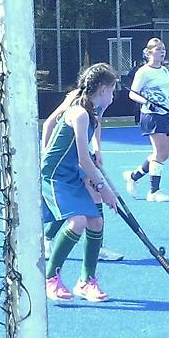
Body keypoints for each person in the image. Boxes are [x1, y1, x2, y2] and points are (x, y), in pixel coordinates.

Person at [42, 63, 119, 302]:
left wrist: (94, 180)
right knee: (77, 221)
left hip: (72, 171)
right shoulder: (79, 113)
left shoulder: (92, 113)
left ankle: (86, 281)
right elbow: (84, 159)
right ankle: (50, 278)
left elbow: (84, 160)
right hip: (55, 174)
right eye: (113, 90)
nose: (114, 96)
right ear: (103, 89)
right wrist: (104, 189)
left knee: (96, 221)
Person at [42, 89, 124, 262]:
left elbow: (96, 123)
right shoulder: (76, 98)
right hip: (66, 159)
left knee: (93, 196)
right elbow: (49, 123)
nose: (112, 94)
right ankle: (47, 238)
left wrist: (97, 148)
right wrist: (46, 154)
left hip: (80, 155)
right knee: (74, 201)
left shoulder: (99, 102)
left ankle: (97, 246)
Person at [123, 38, 169, 202]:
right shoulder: (143, 72)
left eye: (163, 49)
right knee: (159, 153)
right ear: (149, 52)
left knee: (164, 154)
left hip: (165, 115)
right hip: (151, 116)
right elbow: (132, 94)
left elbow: (168, 94)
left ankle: (133, 177)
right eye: (158, 49)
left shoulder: (164, 71)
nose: (162, 52)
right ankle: (153, 192)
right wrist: (147, 103)